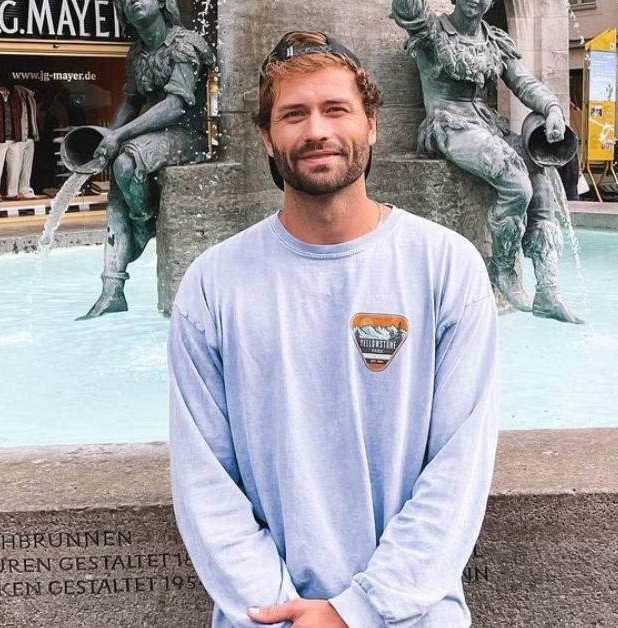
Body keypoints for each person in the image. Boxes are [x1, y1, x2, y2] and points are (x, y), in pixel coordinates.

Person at [168, 31, 500, 628]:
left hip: (412, 616)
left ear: (371, 123)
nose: (316, 130)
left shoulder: (448, 267)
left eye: (336, 109)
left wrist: (357, 612)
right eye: (293, 114)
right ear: (267, 137)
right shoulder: (211, 286)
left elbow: (459, 466)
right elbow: (205, 481)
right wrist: (283, 613)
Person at [391, 0, 581, 323]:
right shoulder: (432, 29)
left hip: (487, 126)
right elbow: (406, 9)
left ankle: (547, 288)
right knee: (516, 182)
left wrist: (552, 109)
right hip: (449, 124)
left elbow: (523, 83)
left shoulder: (493, 40)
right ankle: (502, 266)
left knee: (540, 177)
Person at [81, 0, 214, 319]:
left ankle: (143, 223)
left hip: (188, 137)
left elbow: (174, 107)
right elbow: (130, 102)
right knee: (117, 177)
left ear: (161, 3)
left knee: (126, 160)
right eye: (124, 1)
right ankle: (111, 291)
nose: (132, 2)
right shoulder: (136, 53)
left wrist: (120, 137)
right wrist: (107, 138)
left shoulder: (184, 44)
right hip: (149, 139)